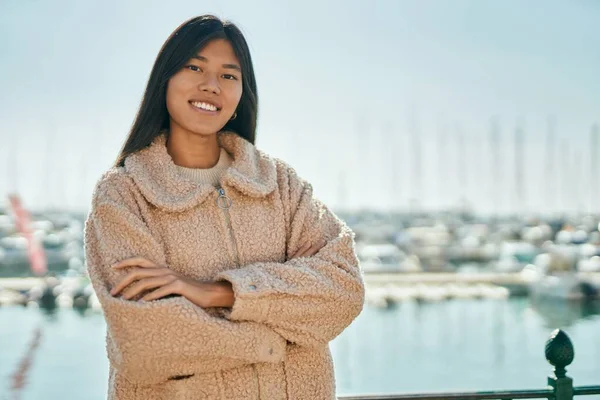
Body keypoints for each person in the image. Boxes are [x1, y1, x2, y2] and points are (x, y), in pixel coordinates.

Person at [84, 14, 365, 400]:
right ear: (164, 81)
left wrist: (218, 293)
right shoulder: (124, 193)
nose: (211, 85)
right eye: (194, 67)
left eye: (229, 75)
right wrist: (275, 340)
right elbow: (146, 342)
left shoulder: (280, 184)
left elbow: (343, 291)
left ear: (240, 95)